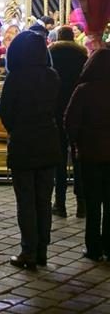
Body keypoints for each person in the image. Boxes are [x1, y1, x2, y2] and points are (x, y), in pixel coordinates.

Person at [0, 31, 61, 269]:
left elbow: (6, 111)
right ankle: (42, 249)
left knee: (26, 200)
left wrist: (16, 128)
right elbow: (57, 108)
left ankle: (29, 250)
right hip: (48, 142)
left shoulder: (15, 78)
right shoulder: (52, 76)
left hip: (23, 144)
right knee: (43, 200)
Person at [65, 50, 110, 261]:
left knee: (93, 203)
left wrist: (75, 142)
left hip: (90, 153)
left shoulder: (84, 90)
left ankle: (93, 247)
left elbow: (70, 120)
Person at [49, 26, 87, 218]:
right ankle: (82, 203)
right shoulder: (82, 56)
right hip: (77, 111)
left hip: (57, 111)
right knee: (78, 157)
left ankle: (60, 202)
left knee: (59, 159)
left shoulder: (51, 55)